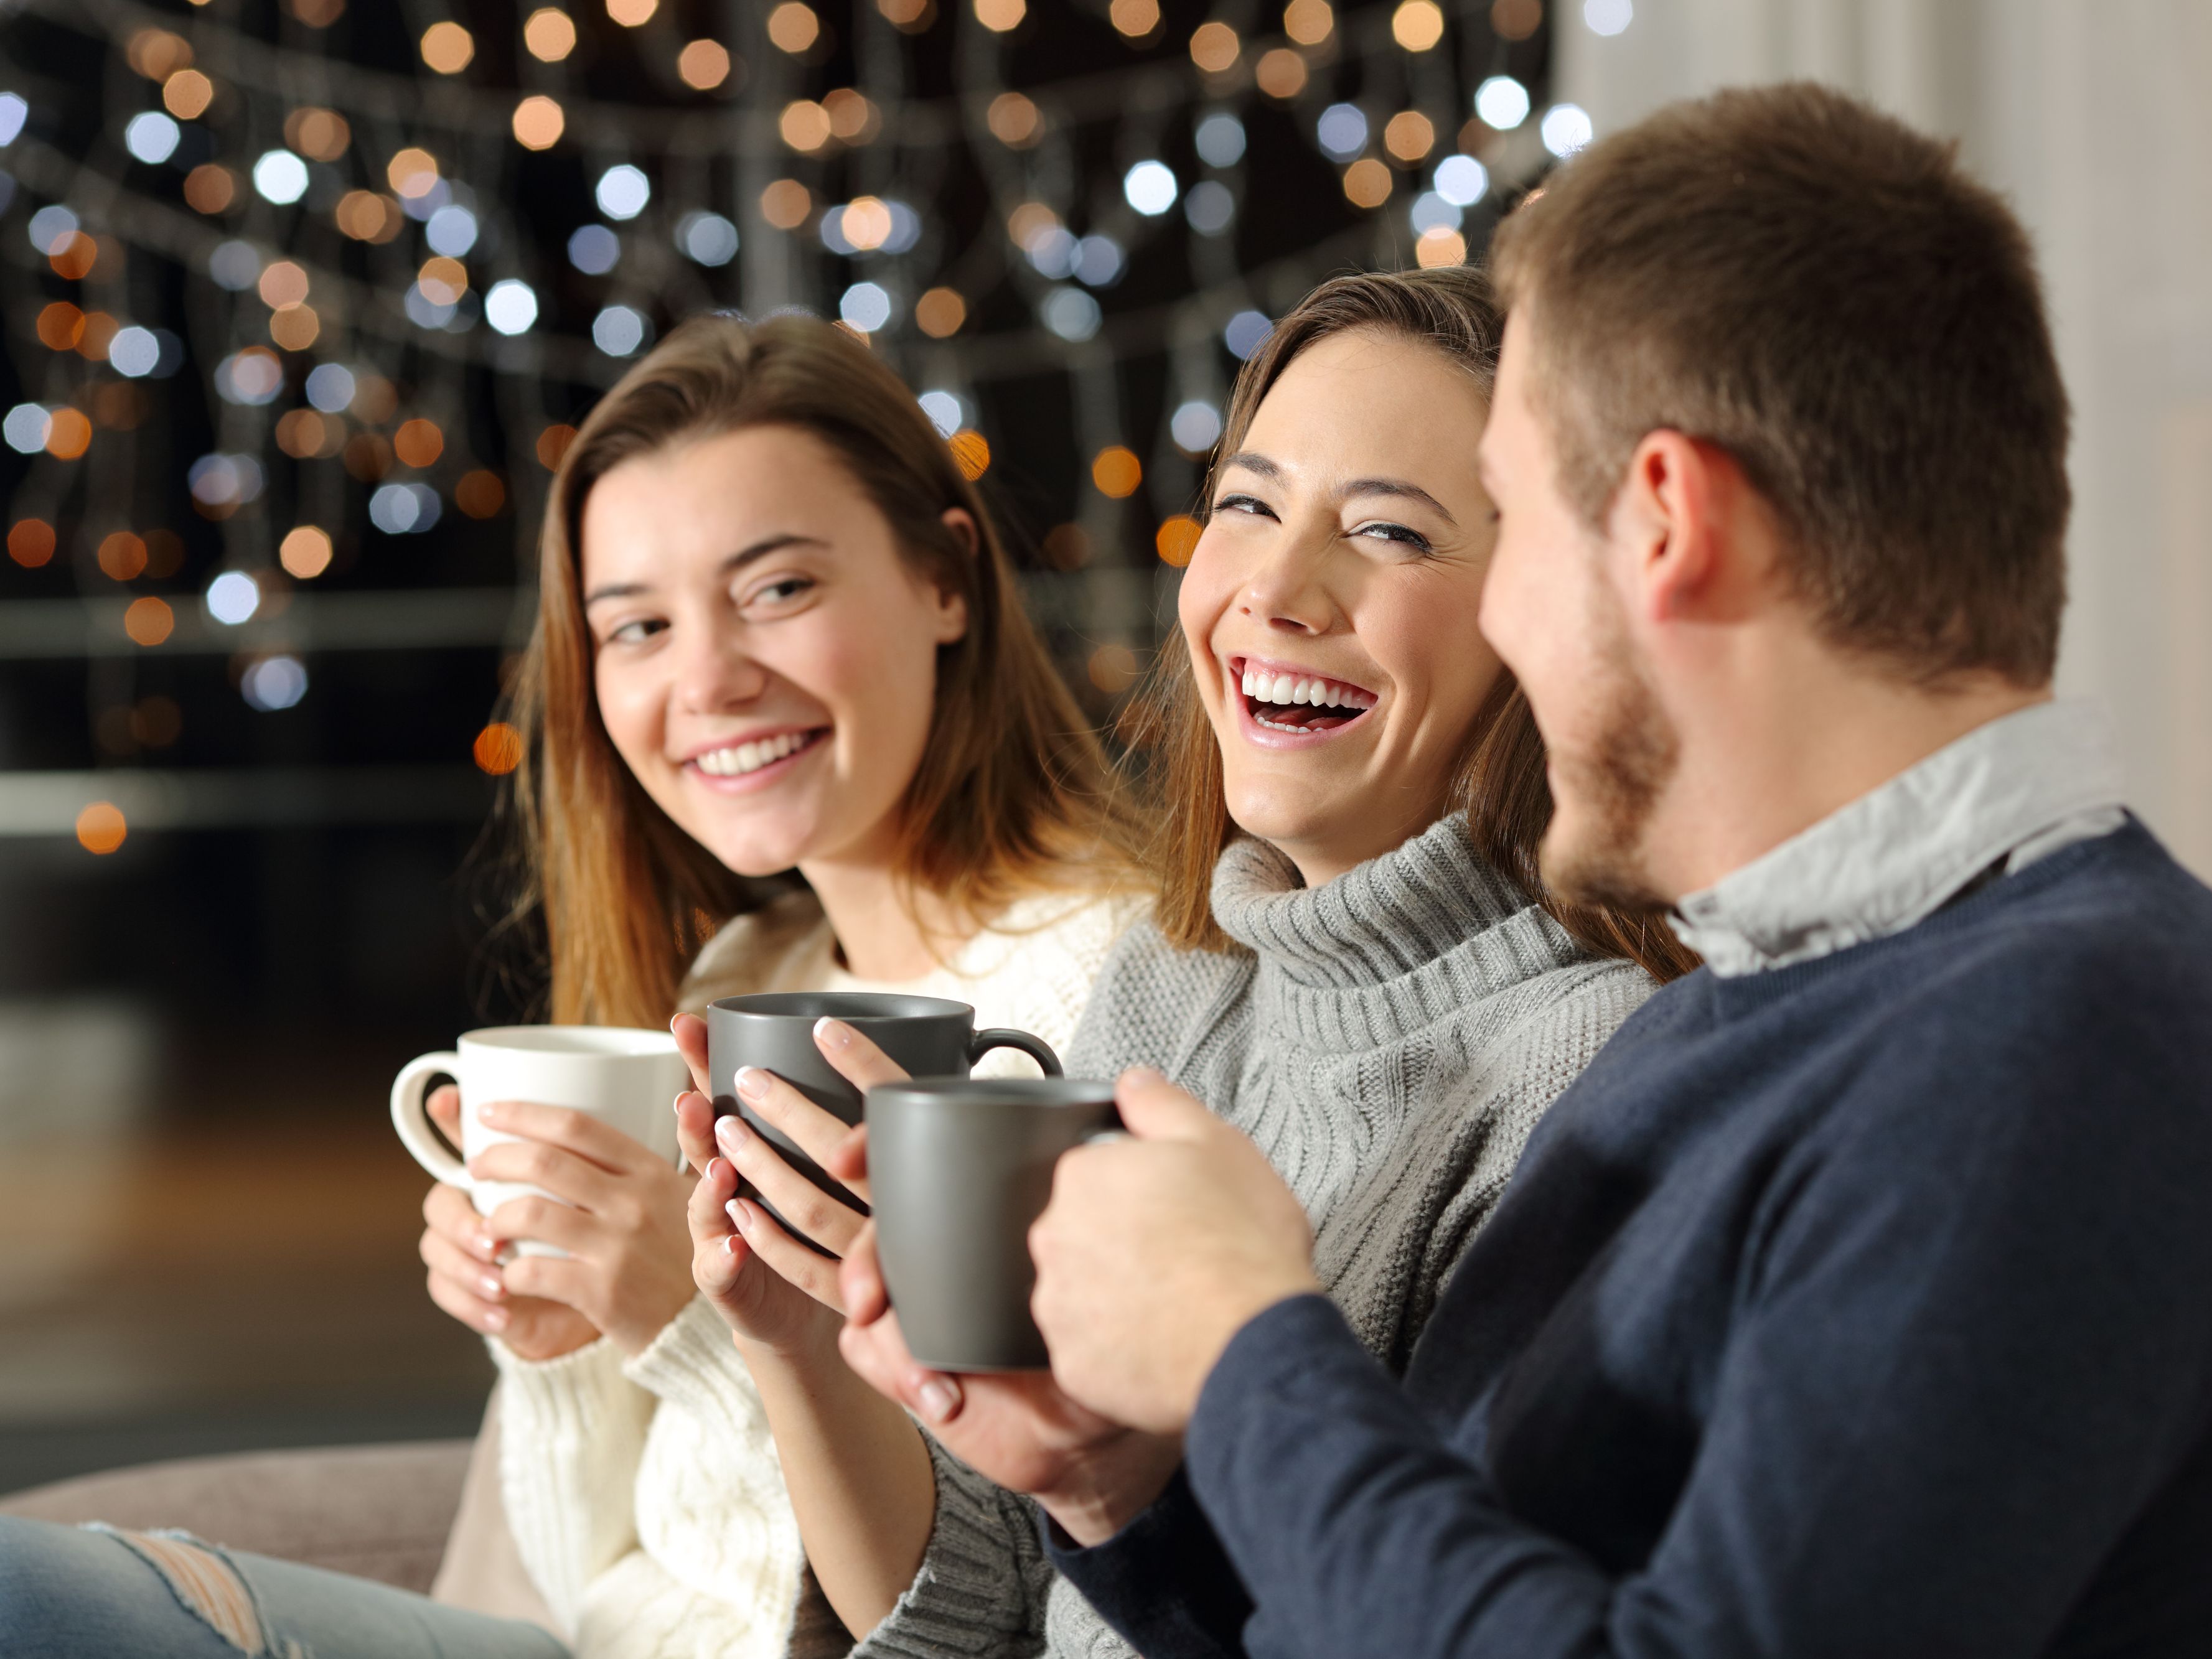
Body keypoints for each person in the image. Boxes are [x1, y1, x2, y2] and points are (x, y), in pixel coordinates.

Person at [949, 83, 2212, 1658]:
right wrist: (1127, 1490)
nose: (1505, 629)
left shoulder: (2064, 1045)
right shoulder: (1729, 1026)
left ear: (1667, 522)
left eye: (1512, 519)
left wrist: (1243, 1351)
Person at [0, 314, 1145, 1659]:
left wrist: (682, 1316)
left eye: (778, 589)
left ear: (947, 578)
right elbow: (576, 1582)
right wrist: (558, 1351)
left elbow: (964, 1606)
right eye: (638, 625)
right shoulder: (744, 975)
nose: (706, 679)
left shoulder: (1100, 995)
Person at [667, 269, 1695, 1657]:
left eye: (1387, 531)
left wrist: (1134, 1473)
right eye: (1247, 506)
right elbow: (992, 1615)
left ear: (1549, 621)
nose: (1275, 589)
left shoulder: (1590, 1074)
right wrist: (799, 1343)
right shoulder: (1176, 974)